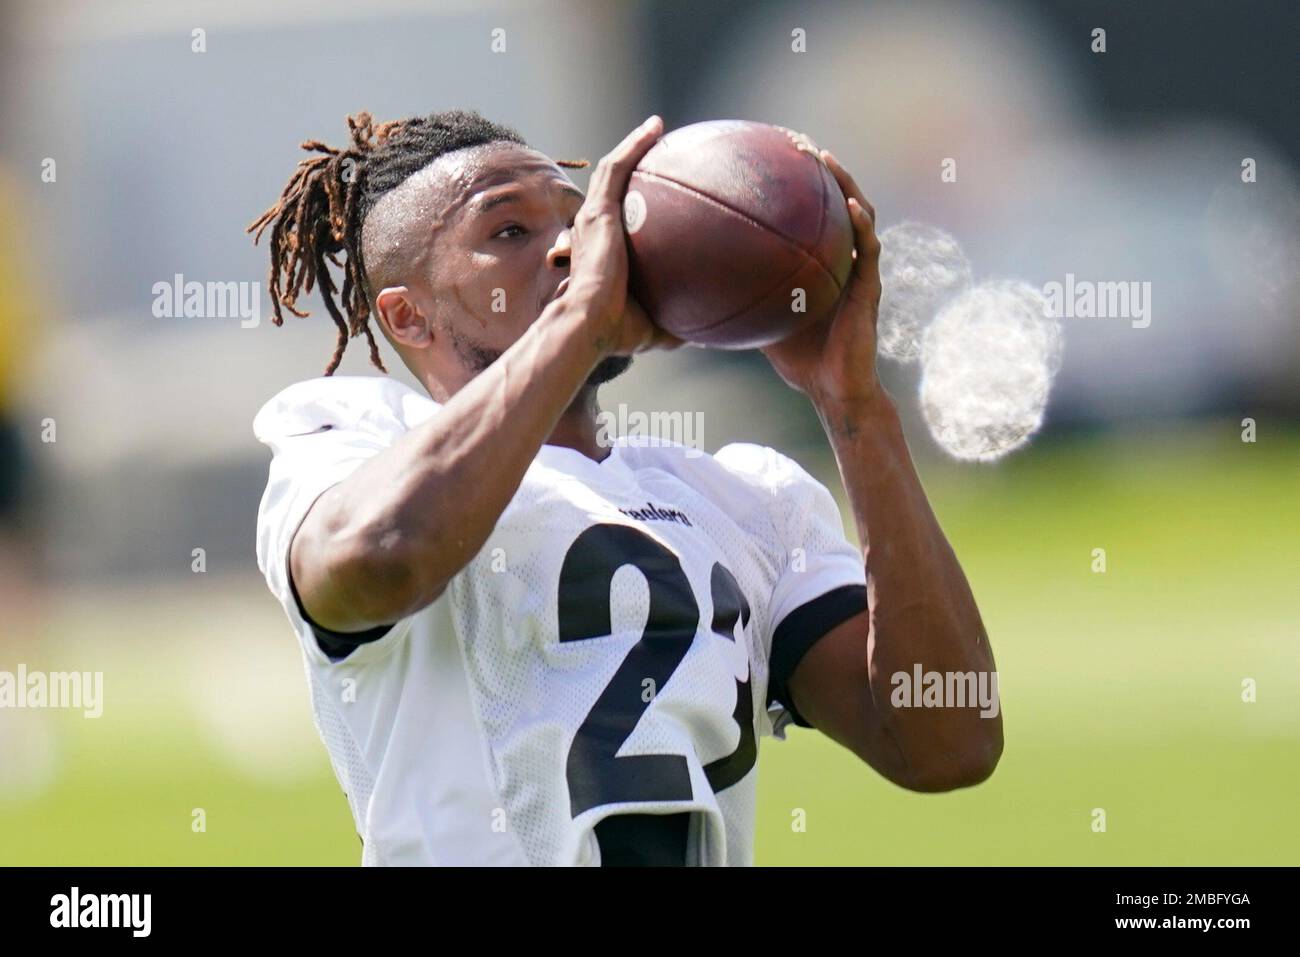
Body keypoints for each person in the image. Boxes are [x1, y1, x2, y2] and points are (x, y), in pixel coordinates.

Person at [250, 110, 1001, 866]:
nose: (571, 248)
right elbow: (383, 558)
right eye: (509, 232)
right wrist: (580, 323)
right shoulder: (352, 440)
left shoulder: (744, 496)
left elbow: (947, 739)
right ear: (407, 315)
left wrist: (855, 406)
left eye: (582, 220)